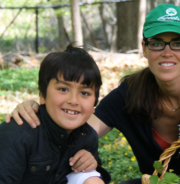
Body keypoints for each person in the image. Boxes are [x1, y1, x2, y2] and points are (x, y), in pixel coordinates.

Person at [6, 4, 180, 183]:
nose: (167, 52)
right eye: (157, 43)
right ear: (144, 47)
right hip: (156, 181)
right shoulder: (130, 92)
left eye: (177, 43)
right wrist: (39, 108)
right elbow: (78, 124)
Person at [0, 45, 111, 184]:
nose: (73, 101)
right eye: (63, 89)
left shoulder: (87, 136)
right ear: (42, 95)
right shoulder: (18, 135)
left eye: (84, 93)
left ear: (94, 102)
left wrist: (90, 164)